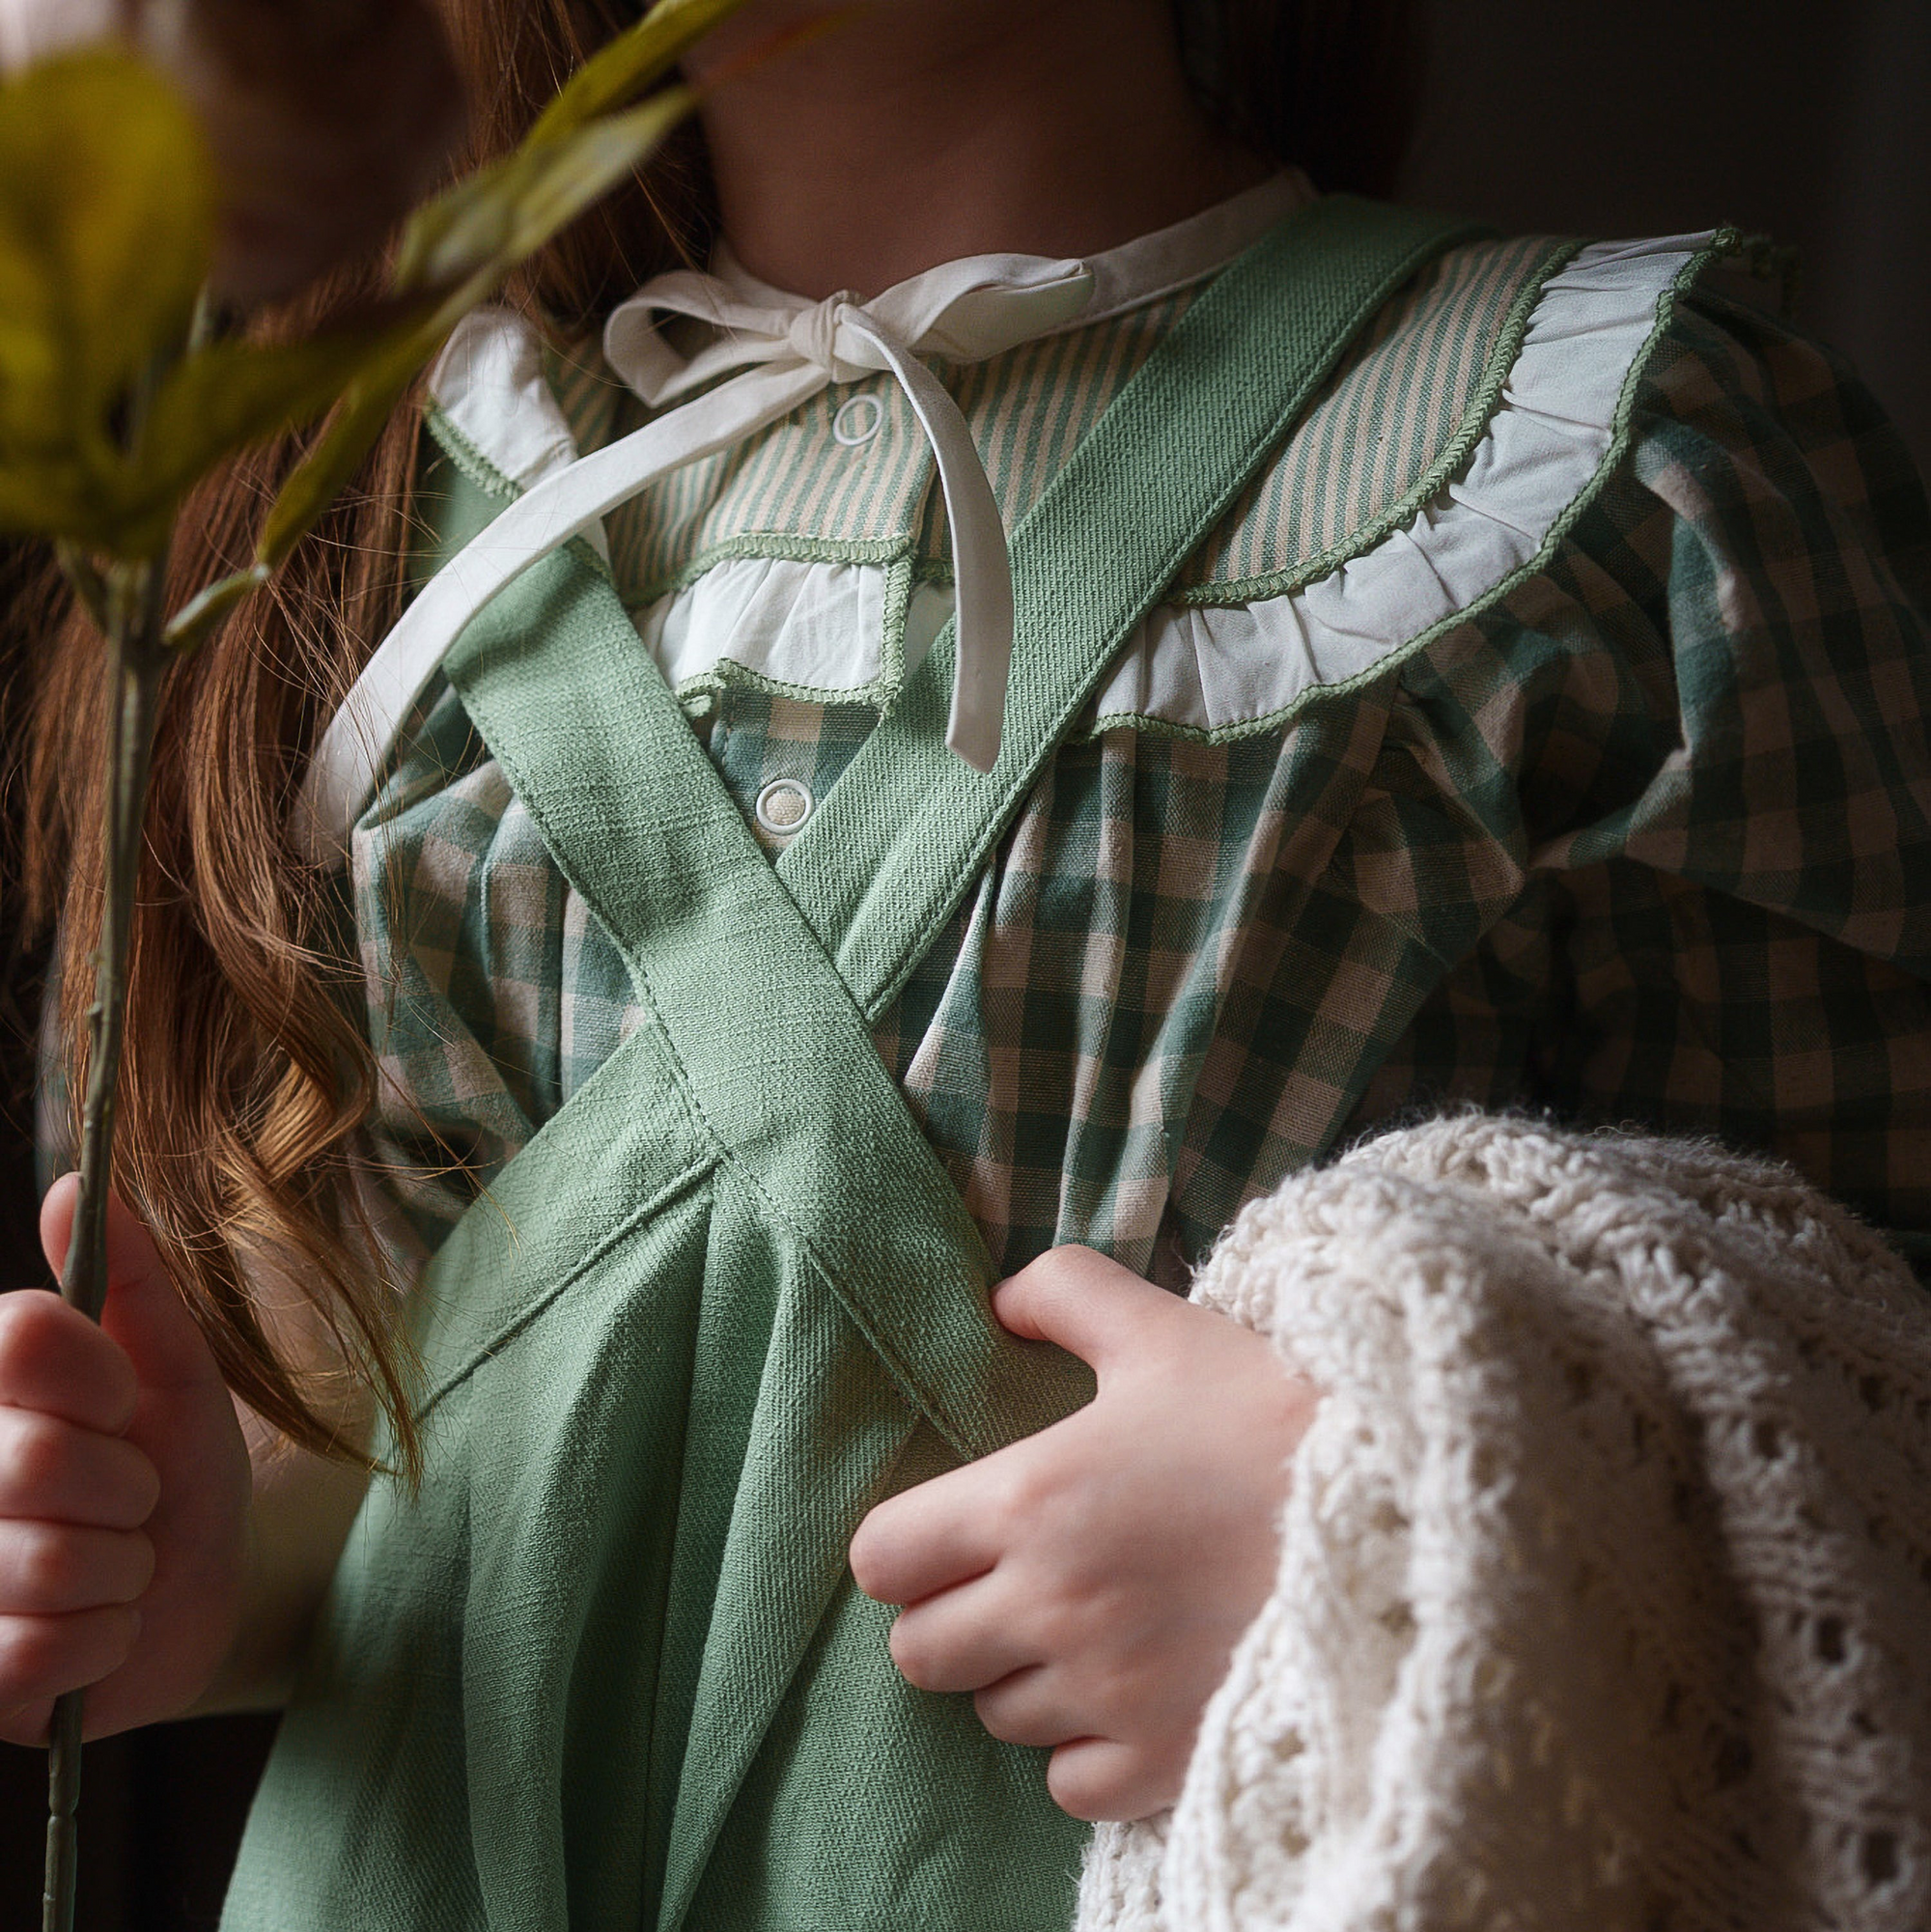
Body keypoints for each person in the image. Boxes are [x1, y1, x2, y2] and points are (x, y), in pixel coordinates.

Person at [4, 0, 1930, 1926]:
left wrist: (1411, 1529)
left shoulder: (1616, 465)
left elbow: (1863, 1436)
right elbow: (394, 1393)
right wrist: (194, 1564)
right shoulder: (334, 512)